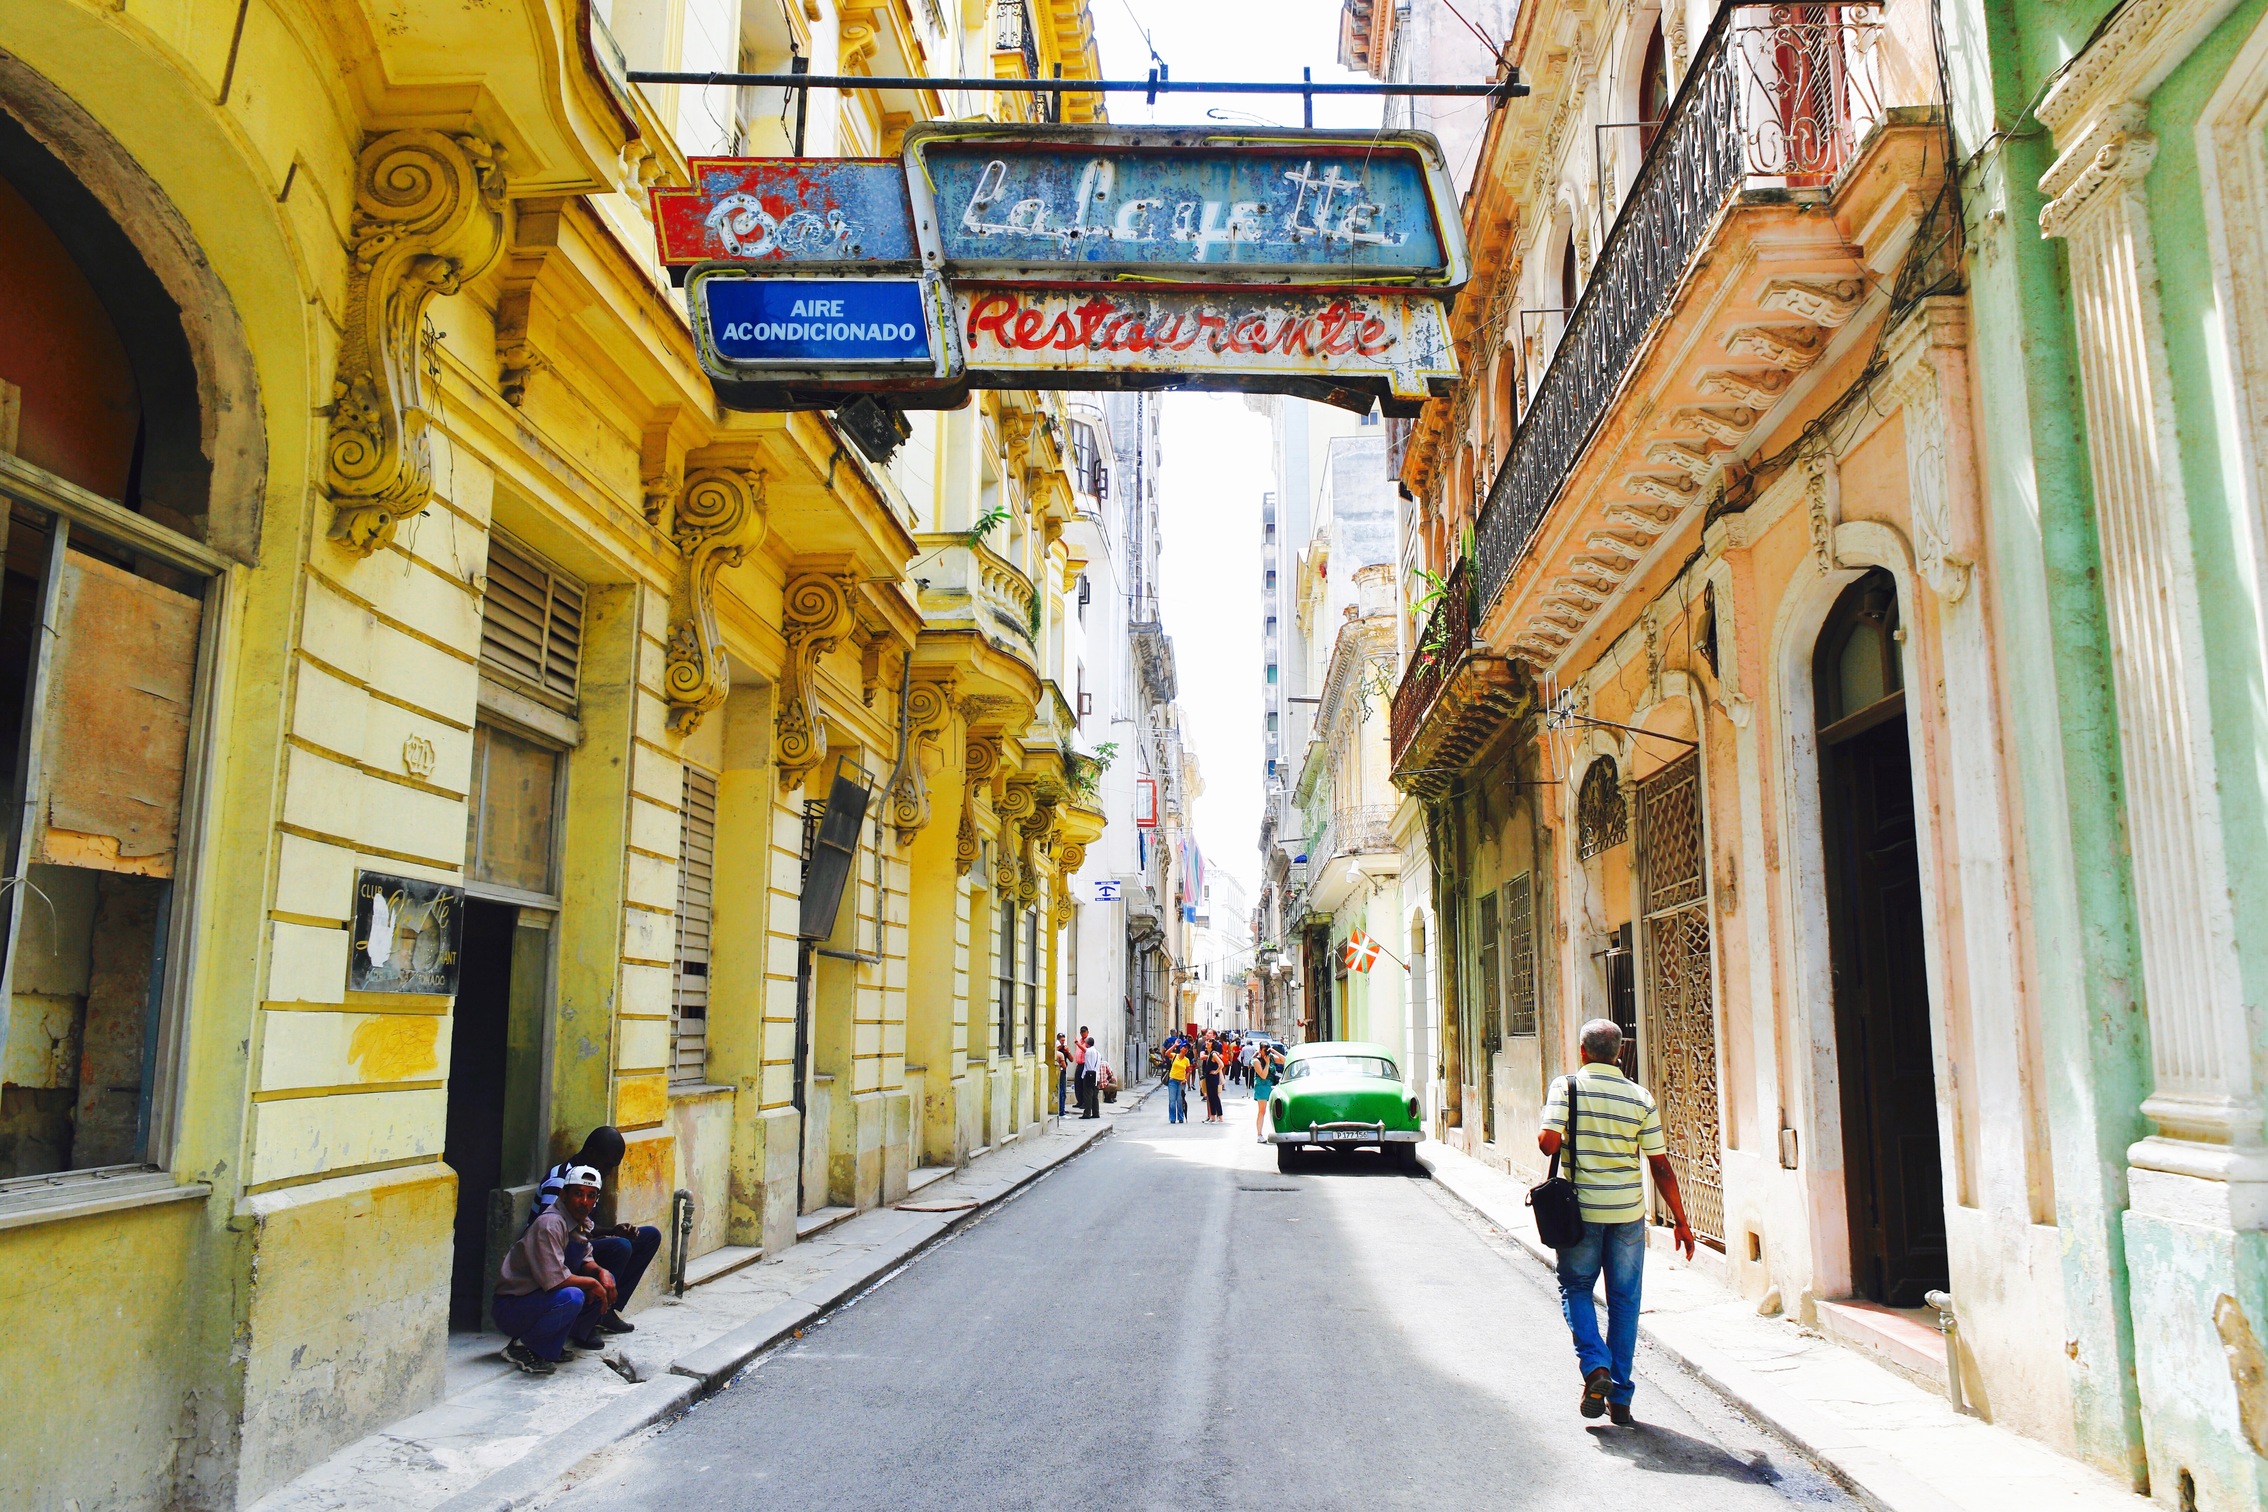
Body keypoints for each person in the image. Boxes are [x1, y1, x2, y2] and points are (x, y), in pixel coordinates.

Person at [1538, 1019, 1695, 1427]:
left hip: (1582, 1213)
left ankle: (1596, 1368)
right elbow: (1659, 1165)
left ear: (1583, 1051)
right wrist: (1680, 1221)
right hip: (1628, 1214)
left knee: (1575, 1287)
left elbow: (1547, 1144)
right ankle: (1621, 1401)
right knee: (1625, 1303)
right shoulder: (1640, 1097)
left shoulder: (1566, 1087)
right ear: (1620, 1053)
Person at [535, 1127, 661, 1335]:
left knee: (648, 1237)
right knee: (619, 1247)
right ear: (592, 1154)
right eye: (608, 1165)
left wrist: (612, 1230)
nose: (610, 1172)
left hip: (580, 1241)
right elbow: (551, 1230)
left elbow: (583, 1224)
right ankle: (588, 1319)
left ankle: (606, 1310)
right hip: (558, 1249)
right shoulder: (560, 1180)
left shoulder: (593, 1177)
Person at [493, 1165, 610, 1374]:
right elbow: (555, 1280)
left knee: (601, 1284)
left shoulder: (580, 1222)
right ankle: (522, 1346)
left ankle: (548, 1347)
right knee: (573, 1296)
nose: (584, 1202)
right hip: (512, 1306)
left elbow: (585, 1257)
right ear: (564, 1194)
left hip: (540, 1297)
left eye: (591, 1196)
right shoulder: (550, 1224)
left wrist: (601, 1273)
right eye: (578, 1194)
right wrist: (593, 1283)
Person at [1252, 1044, 1279, 1143]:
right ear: (1260, 1050)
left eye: (1267, 1050)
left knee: (1276, 1110)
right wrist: (1267, 1063)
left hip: (1271, 1086)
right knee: (1262, 1111)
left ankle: (1277, 1132)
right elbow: (1263, 1075)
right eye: (1265, 1050)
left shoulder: (1271, 1057)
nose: (1266, 1052)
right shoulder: (1256, 1061)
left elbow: (1285, 1060)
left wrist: (1274, 1052)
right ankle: (1259, 1134)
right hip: (1261, 1086)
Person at [1076, 1027, 1102, 1119]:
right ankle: (1096, 1112)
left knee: (1087, 1095)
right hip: (1096, 1076)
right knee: (1095, 1096)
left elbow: (1083, 1050)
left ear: (1087, 1044)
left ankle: (1087, 1113)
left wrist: (1077, 1043)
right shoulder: (1098, 1053)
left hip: (1088, 1075)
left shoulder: (1089, 1051)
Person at [1166, 1043, 1192, 1124]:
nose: (1185, 1049)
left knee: (1180, 1100)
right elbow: (1167, 1053)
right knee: (1172, 1100)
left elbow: (1188, 1072)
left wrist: (1185, 1079)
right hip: (1173, 1080)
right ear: (1180, 1048)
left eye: (1187, 1048)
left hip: (1181, 1082)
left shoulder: (1187, 1060)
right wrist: (1174, 1045)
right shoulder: (1174, 1056)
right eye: (1184, 1047)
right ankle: (1172, 1118)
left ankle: (1181, 1117)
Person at [1201, 1044, 1224, 1123]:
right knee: (1210, 1097)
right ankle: (1213, 1117)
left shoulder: (1213, 1054)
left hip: (1213, 1078)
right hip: (1209, 1077)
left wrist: (1216, 1072)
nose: (1206, 1043)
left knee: (1215, 1097)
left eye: (1209, 1042)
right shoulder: (1210, 1054)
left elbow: (1221, 1064)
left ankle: (1220, 1117)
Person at [1054, 1033, 1072, 1118]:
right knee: (1061, 1091)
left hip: (1062, 1072)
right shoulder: (1058, 1053)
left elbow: (1072, 1059)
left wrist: (1067, 1051)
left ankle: (1062, 1110)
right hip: (1060, 1071)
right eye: (1061, 1040)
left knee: (1062, 1091)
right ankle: (1061, 1111)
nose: (1062, 1043)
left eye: (1064, 1041)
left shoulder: (1064, 1051)